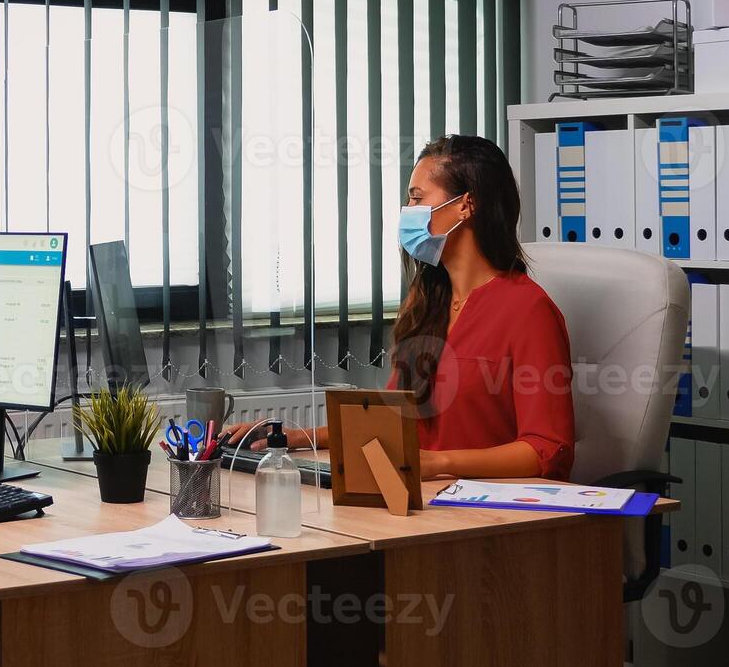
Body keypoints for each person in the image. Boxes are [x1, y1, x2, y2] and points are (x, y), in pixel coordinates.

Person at [226, 134, 577, 481]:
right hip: (421, 501)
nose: (407, 213)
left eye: (417, 199)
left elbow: (546, 450)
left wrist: (440, 463)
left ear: (465, 205)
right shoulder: (428, 302)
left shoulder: (529, 311)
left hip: (489, 513)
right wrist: (288, 438)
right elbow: (391, 416)